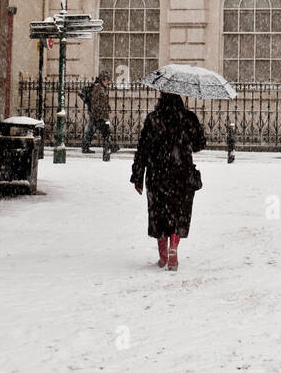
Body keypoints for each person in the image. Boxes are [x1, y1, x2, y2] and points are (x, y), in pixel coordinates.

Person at [130, 90, 205, 270]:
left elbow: (143, 149)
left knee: (159, 214)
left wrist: (138, 175)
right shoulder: (188, 118)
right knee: (178, 213)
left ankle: (163, 255)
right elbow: (199, 144)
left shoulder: (153, 119)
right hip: (182, 173)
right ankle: (174, 248)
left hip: (157, 174)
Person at [81, 71, 118, 156]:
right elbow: (96, 102)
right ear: (103, 80)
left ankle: (86, 146)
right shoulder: (98, 88)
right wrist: (99, 112)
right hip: (97, 114)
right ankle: (109, 147)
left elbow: (101, 101)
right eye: (107, 80)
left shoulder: (101, 87)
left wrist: (107, 107)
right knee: (104, 130)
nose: (108, 82)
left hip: (98, 113)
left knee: (93, 130)